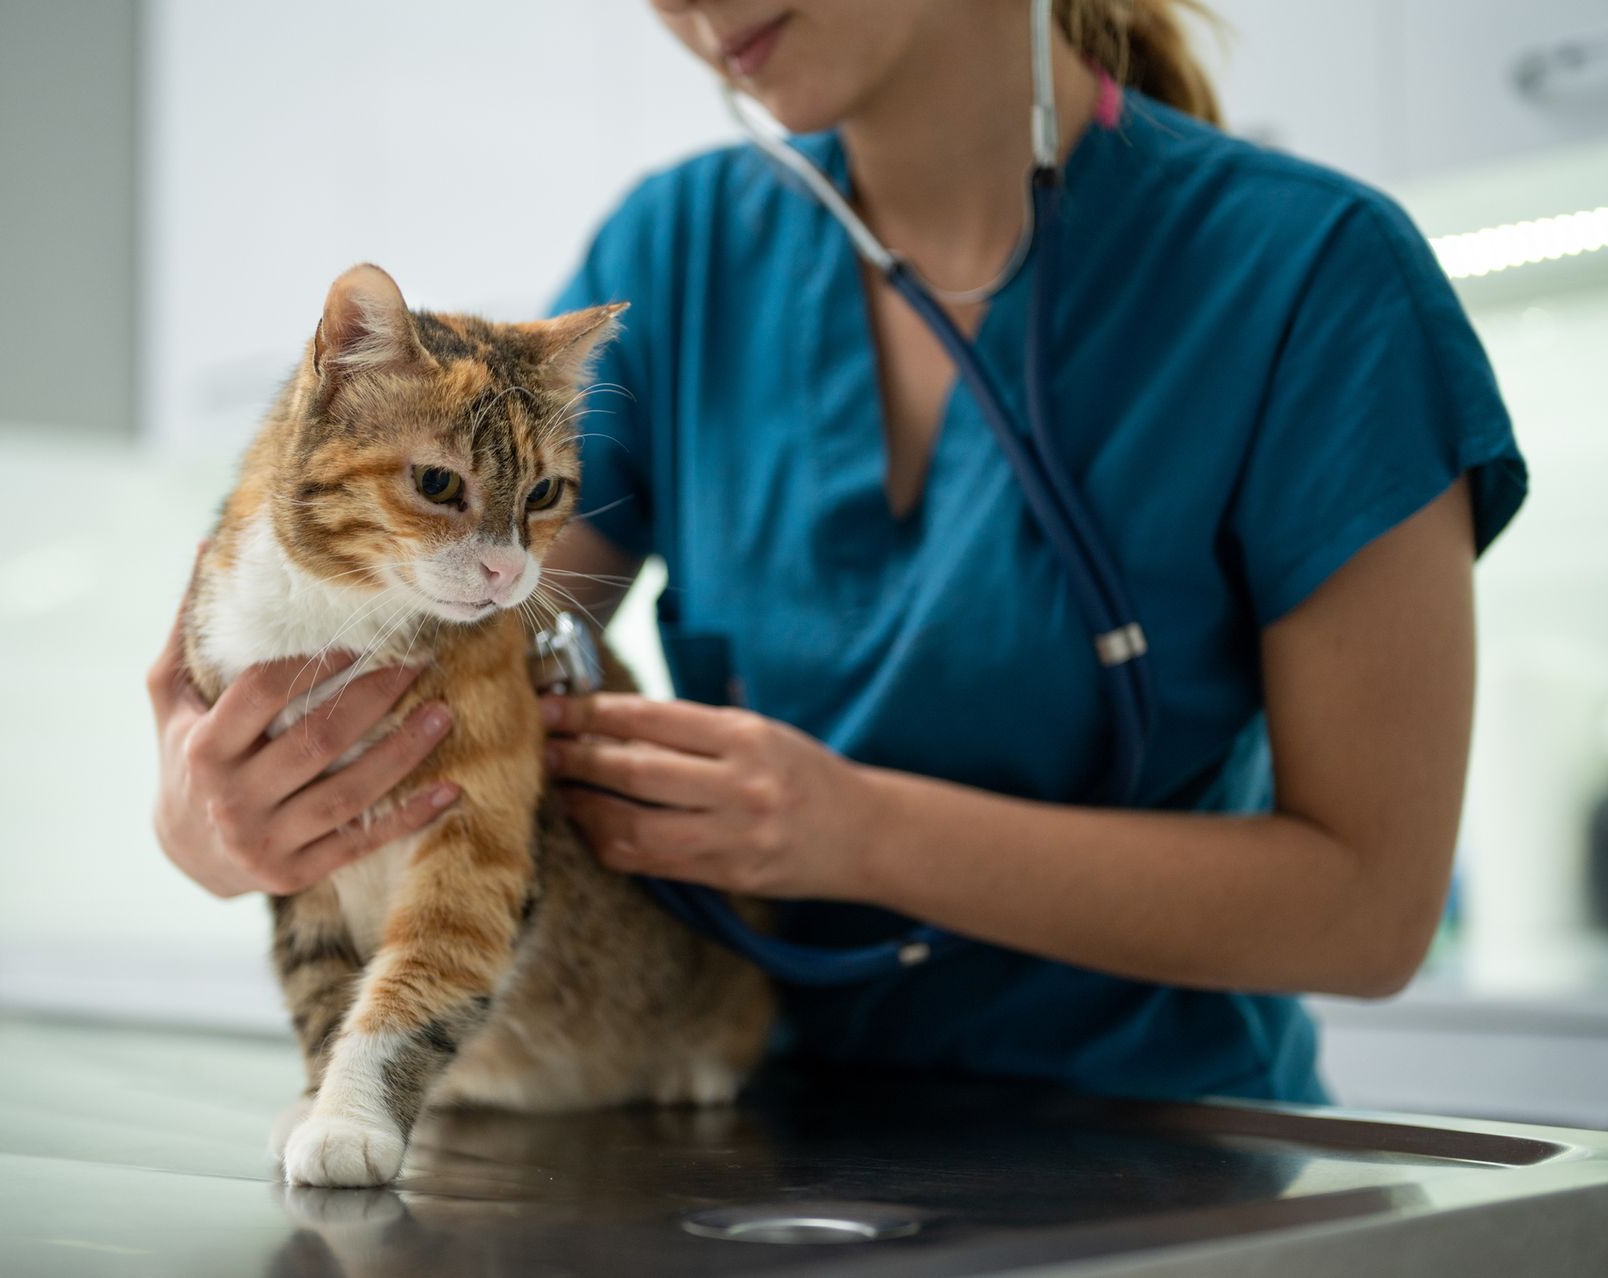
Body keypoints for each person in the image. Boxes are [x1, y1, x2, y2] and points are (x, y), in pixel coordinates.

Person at [149, 0, 1526, 1104]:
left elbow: (1371, 911)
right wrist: (225, 820)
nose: (681, 8)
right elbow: (458, 645)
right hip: (749, 1130)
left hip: (1174, 1159)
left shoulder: (1319, 281)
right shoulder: (681, 251)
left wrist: (858, 832)